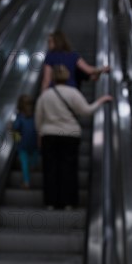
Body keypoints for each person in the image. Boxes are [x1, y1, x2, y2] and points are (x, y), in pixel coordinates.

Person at [35, 65, 112, 210]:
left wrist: (40, 133)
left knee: (50, 169)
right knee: (69, 169)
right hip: (70, 135)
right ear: (67, 77)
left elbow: (38, 118)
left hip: (49, 135)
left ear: (53, 78)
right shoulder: (73, 93)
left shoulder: (45, 95)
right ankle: (68, 202)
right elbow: (87, 111)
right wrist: (101, 100)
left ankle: (51, 202)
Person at [41, 30, 110, 92]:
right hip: (71, 91)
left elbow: (47, 79)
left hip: (55, 91)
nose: (48, 44)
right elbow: (89, 70)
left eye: (50, 42)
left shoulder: (50, 56)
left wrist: (42, 95)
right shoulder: (73, 55)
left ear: (56, 42)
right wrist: (102, 69)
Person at [12, 95, 39, 189]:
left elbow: (16, 128)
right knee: (34, 155)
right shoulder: (35, 116)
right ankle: (34, 165)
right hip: (34, 142)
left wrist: (16, 140)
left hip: (23, 144)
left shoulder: (20, 116)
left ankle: (26, 182)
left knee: (24, 161)